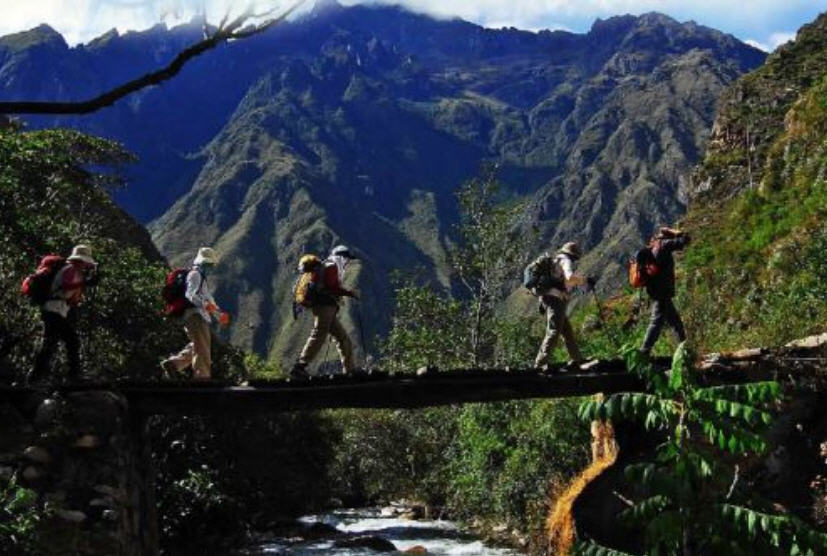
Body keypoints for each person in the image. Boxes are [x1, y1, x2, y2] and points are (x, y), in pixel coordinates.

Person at [28, 244, 99, 384]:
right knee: (60, 342)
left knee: (59, 342)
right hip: (54, 310)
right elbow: (66, 285)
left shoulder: (73, 270)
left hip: (56, 310)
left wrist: (86, 280)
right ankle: (38, 377)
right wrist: (86, 282)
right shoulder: (71, 269)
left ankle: (37, 376)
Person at [161, 247, 230, 380]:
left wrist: (218, 314)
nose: (210, 267)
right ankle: (202, 378)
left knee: (199, 343)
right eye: (209, 264)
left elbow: (208, 299)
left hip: (194, 315)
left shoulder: (200, 277)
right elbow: (191, 294)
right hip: (194, 315)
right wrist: (207, 306)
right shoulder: (195, 274)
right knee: (203, 349)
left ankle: (174, 363)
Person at [291, 245, 358, 378]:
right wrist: (349, 293)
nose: (347, 261)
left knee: (343, 338)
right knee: (319, 333)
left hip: (326, 307)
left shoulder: (327, 265)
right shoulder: (332, 266)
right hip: (324, 307)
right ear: (342, 256)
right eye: (346, 258)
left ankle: (350, 371)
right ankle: (300, 366)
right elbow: (332, 288)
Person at [533, 241, 591, 369]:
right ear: (574, 255)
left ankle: (577, 359)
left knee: (567, 331)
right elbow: (569, 277)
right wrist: (585, 280)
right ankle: (539, 363)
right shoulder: (566, 261)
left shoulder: (556, 260)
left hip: (549, 298)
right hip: (556, 300)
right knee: (553, 331)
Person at [640, 227, 691, 355]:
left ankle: (683, 350)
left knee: (675, 323)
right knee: (656, 323)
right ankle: (644, 351)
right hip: (662, 293)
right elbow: (686, 239)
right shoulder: (664, 244)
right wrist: (673, 231)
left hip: (657, 292)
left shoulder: (654, 247)